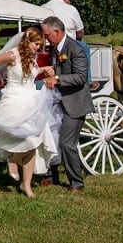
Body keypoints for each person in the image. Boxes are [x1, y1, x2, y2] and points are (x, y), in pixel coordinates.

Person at [0, 27, 56, 198]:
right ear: (27, 41)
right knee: (26, 139)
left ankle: (26, 185)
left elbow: (30, 75)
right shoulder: (12, 55)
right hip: (14, 100)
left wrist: (43, 70)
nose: (38, 48)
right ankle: (12, 159)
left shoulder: (32, 58)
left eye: (39, 44)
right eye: (36, 44)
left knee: (34, 142)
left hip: (31, 100)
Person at [38, 15, 92, 193]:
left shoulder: (75, 49)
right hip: (58, 101)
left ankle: (76, 183)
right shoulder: (55, 49)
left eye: (47, 35)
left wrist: (58, 78)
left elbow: (81, 77)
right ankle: (51, 175)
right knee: (52, 138)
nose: (45, 39)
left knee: (67, 142)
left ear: (57, 31)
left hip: (75, 104)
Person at [42, 0, 92, 67]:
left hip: (45, 46)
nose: (70, 1)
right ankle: (86, 79)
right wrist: (79, 39)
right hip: (66, 46)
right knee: (84, 46)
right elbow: (80, 32)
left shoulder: (42, 7)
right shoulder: (71, 9)